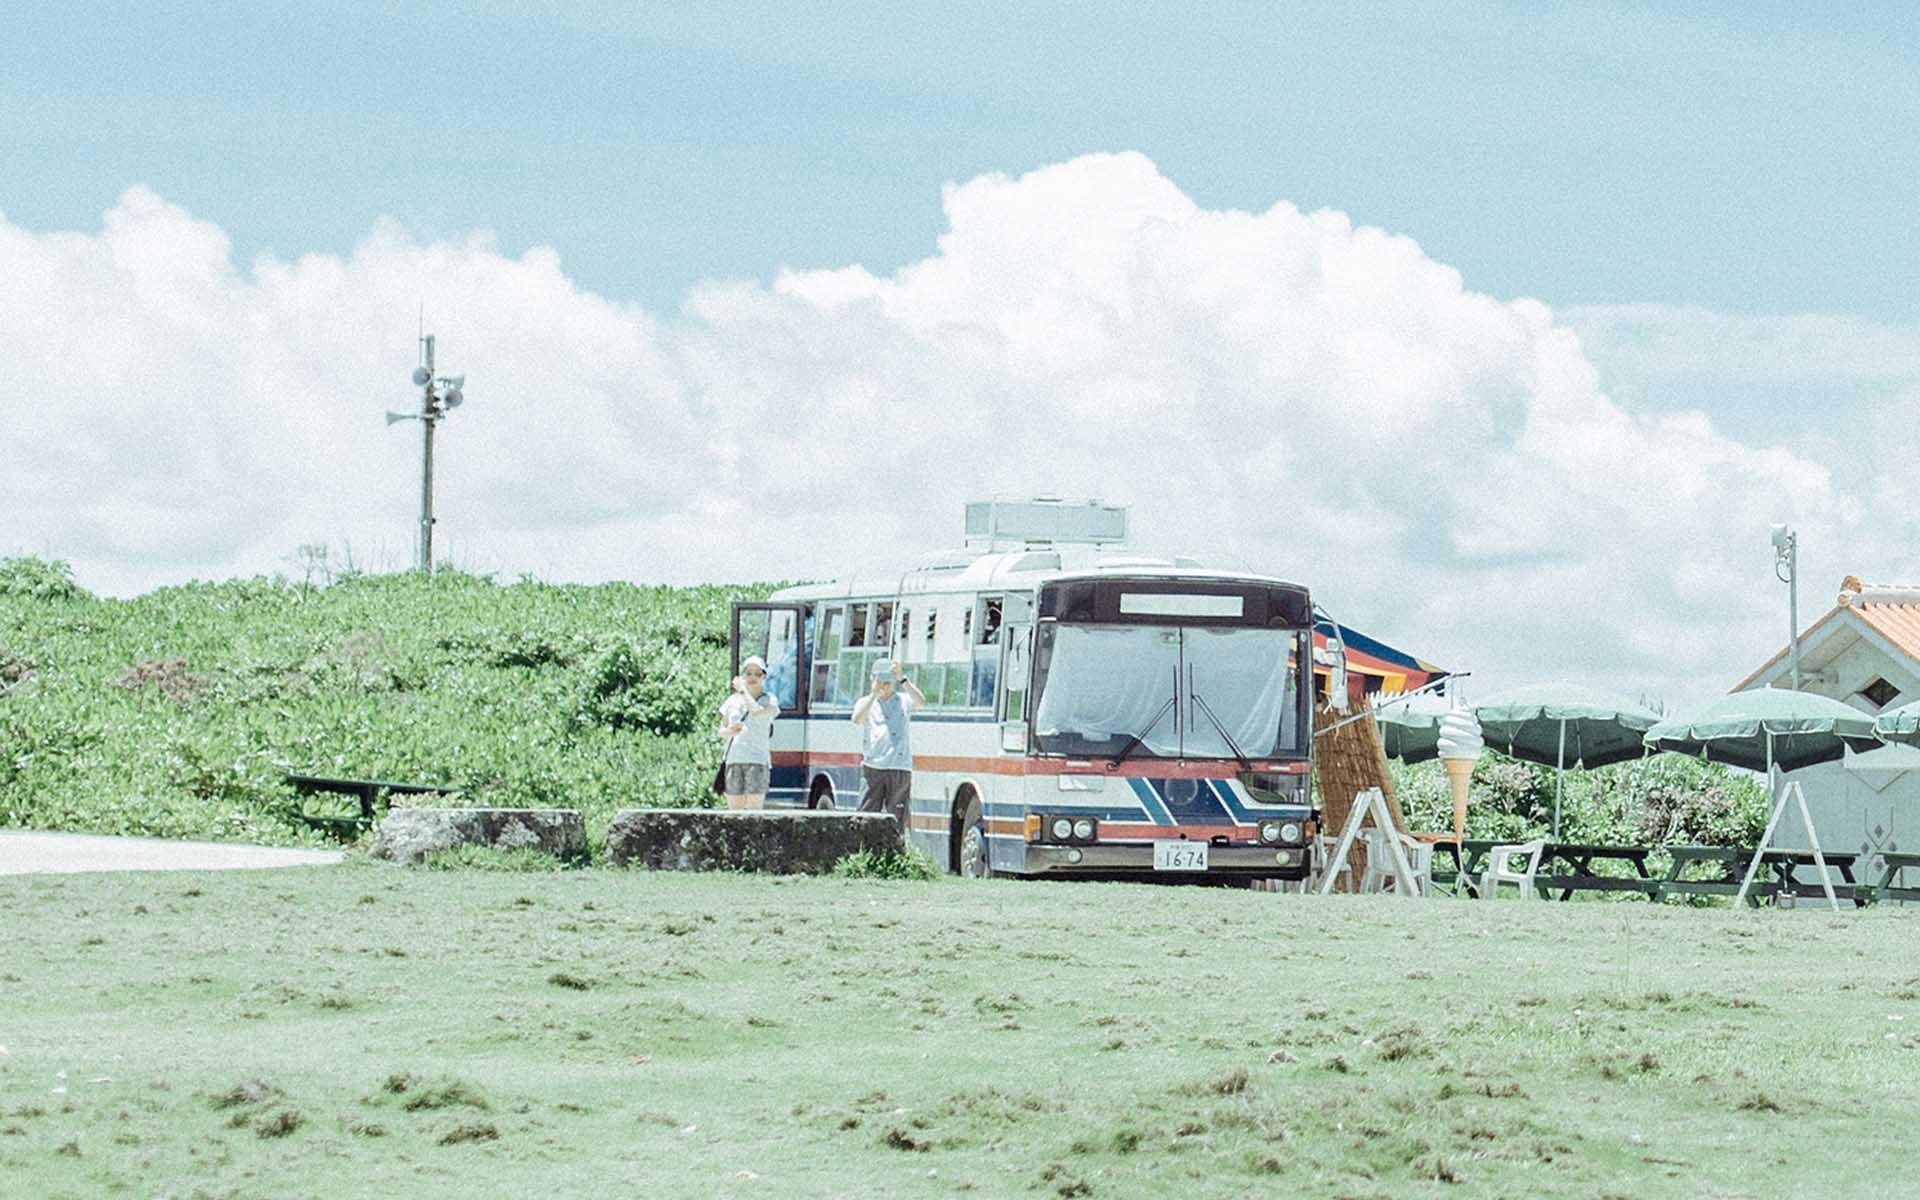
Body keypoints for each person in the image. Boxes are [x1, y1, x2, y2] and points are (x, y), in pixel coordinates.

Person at [850, 659, 924, 834]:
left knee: (897, 818)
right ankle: (865, 852)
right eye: (880, 679)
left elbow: (920, 702)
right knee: (866, 816)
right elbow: (857, 719)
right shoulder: (865, 702)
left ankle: (894, 853)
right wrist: (874, 695)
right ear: (872, 678)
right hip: (873, 766)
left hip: (899, 766)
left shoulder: (904, 700)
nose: (885, 684)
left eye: (889, 680)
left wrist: (903, 679)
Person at [717, 656, 780, 810]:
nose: (752, 677)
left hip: (757, 760)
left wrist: (743, 692)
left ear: (764, 676)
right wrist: (730, 731)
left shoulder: (769, 700)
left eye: (757, 674)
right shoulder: (731, 701)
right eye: (748, 673)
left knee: (754, 809)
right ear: (743, 676)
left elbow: (757, 712)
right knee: (734, 809)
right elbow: (721, 731)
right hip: (734, 759)